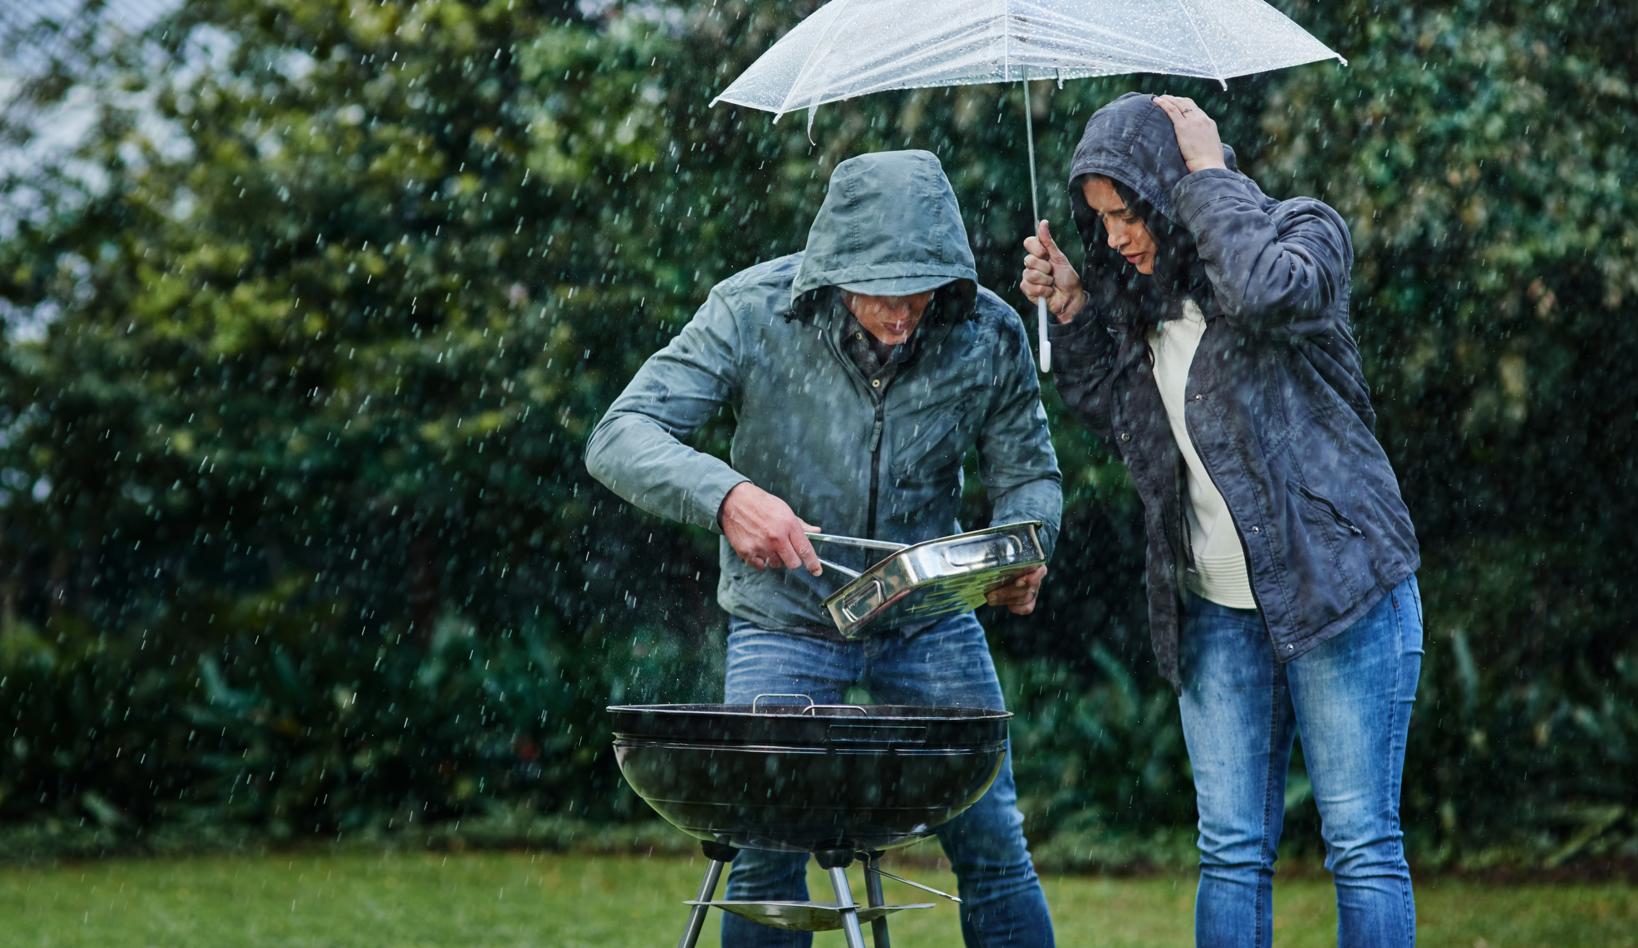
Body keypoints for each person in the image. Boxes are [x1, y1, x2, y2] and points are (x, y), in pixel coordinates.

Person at [588, 149, 1062, 947]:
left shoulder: (987, 329)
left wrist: (1024, 546)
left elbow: (1030, 474)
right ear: (834, 267)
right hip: (784, 622)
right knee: (768, 857)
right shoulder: (749, 313)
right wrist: (727, 496)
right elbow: (619, 436)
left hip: (929, 620)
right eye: (883, 290)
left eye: (922, 288)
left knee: (992, 845)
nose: (904, 311)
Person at [1019, 92, 1424, 948]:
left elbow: (1263, 293)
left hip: (1340, 594)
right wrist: (1073, 310)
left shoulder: (1302, 234)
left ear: (1175, 187)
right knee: (1232, 852)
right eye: (1104, 220)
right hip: (1214, 610)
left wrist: (1205, 174)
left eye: (1131, 212)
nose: (1120, 237)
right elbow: (1122, 417)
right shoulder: (1145, 298)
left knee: (1360, 845)